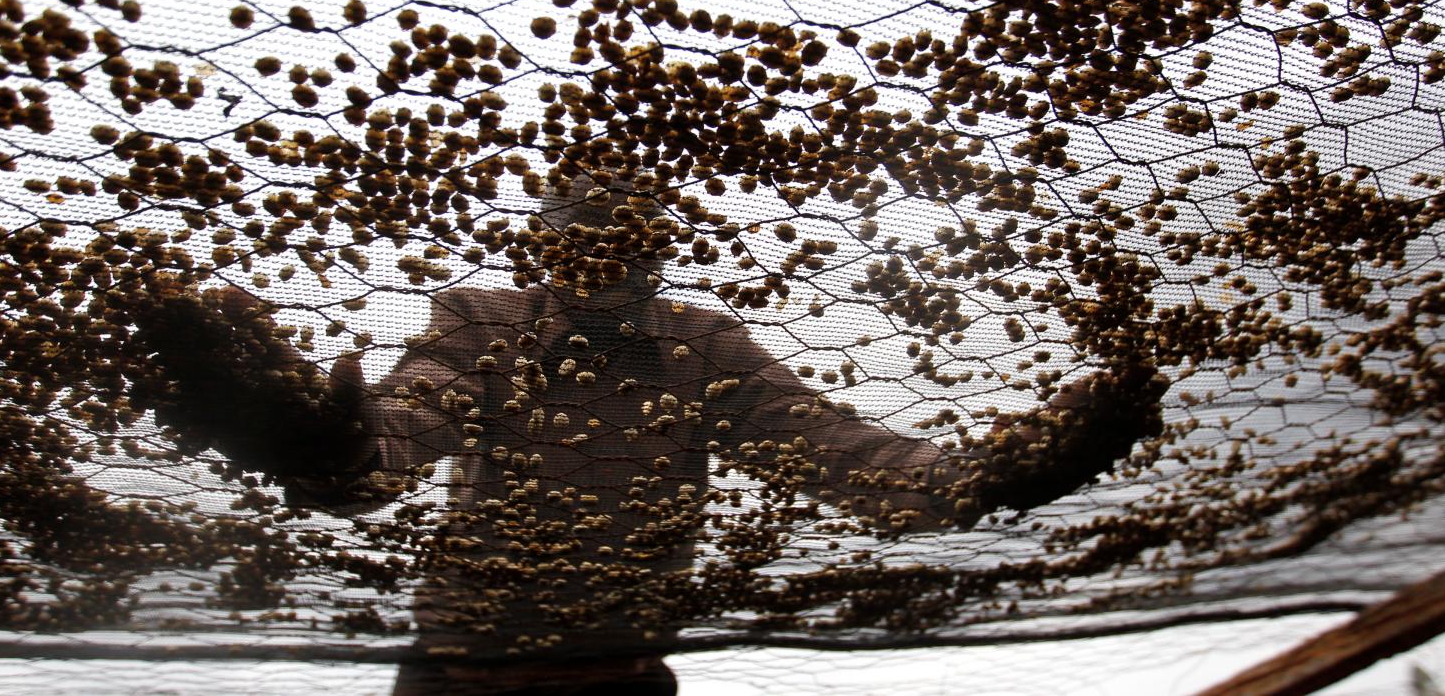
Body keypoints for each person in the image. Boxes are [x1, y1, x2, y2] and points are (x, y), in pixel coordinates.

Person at [131, 169, 1168, 695]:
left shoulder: (703, 347)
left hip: (620, 680)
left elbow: (843, 457)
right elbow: (413, 421)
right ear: (543, 246)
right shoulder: (482, 324)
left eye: (627, 242)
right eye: (577, 239)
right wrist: (326, 441)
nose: (602, 261)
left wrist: (995, 473)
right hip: (462, 680)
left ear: (659, 253)